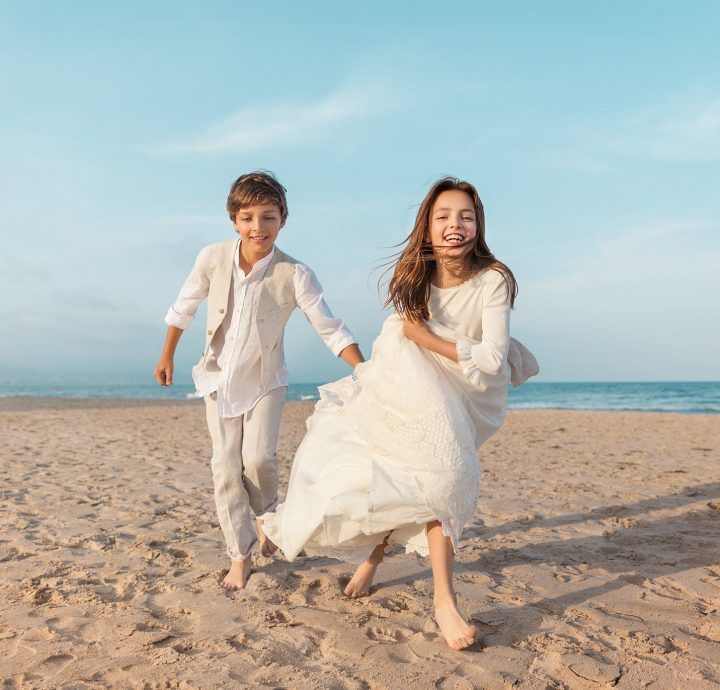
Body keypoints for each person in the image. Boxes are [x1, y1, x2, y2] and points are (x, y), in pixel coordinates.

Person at [261, 177, 538, 650]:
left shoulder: (493, 279)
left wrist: (425, 337)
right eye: (444, 216)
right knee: (429, 473)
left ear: (479, 224)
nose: (456, 225)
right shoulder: (415, 276)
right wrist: (415, 341)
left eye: (466, 216)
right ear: (427, 227)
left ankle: (374, 559)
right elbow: (404, 335)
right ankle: (443, 602)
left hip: (468, 390)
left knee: (427, 477)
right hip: (411, 378)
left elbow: (491, 360)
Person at [153, 171, 364, 590]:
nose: (258, 227)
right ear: (234, 221)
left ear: (282, 219)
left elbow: (330, 328)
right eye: (248, 217)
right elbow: (184, 306)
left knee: (259, 461)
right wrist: (167, 354)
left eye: (268, 217)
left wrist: (365, 372)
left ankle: (269, 519)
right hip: (217, 380)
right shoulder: (212, 258)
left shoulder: (296, 273)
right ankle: (240, 555)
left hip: (267, 382)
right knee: (225, 469)